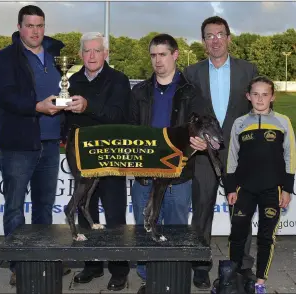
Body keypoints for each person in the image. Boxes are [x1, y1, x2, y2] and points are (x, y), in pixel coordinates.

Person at [0, 5, 69, 286]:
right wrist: (36, 107)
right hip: (19, 144)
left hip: (49, 144)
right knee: (14, 207)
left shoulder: (58, 54)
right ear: (20, 27)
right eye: (30, 25)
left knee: (44, 206)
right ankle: (18, 264)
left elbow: (67, 88)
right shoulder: (5, 58)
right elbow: (7, 96)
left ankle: (43, 258)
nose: (35, 31)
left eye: (40, 25)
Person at [183, 16, 259, 289]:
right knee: (201, 211)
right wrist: (195, 138)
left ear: (228, 37)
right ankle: (201, 265)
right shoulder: (191, 73)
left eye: (219, 34)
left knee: (241, 212)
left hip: (239, 155)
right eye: (208, 35)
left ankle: (242, 266)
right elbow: (186, 116)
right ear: (203, 41)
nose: (214, 40)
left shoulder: (248, 70)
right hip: (203, 155)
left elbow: (257, 112)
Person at [129, 33, 208, 293]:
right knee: (146, 227)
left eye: (163, 54)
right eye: (153, 55)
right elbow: (130, 129)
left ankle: (172, 279)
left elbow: (202, 125)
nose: (157, 60)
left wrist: (201, 141)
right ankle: (148, 280)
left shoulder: (191, 91)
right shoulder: (139, 91)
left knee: (175, 229)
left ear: (175, 55)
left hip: (178, 175)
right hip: (145, 175)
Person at [62, 32, 131, 291]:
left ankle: (119, 270)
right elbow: (68, 120)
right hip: (82, 156)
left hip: (112, 156)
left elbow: (118, 115)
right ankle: (91, 265)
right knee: (84, 208)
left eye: (96, 51)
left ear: (106, 53)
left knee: (115, 213)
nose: (91, 55)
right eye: (87, 51)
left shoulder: (119, 80)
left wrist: (89, 106)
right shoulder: (72, 80)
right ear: (80, 55)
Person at [225, 76, 295, 294]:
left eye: (265, 94)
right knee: (238, 233)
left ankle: (260, 282)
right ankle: (233, 276)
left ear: (272, 96)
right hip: (244, 188)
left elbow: (289, 156)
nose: (260, 98)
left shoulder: (283, 121)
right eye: (255, 94)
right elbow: (232, 158)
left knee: (266, 236)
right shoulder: (239, 123)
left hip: (271, 189)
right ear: (248, 96)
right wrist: (229, 188)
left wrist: (286, 188)